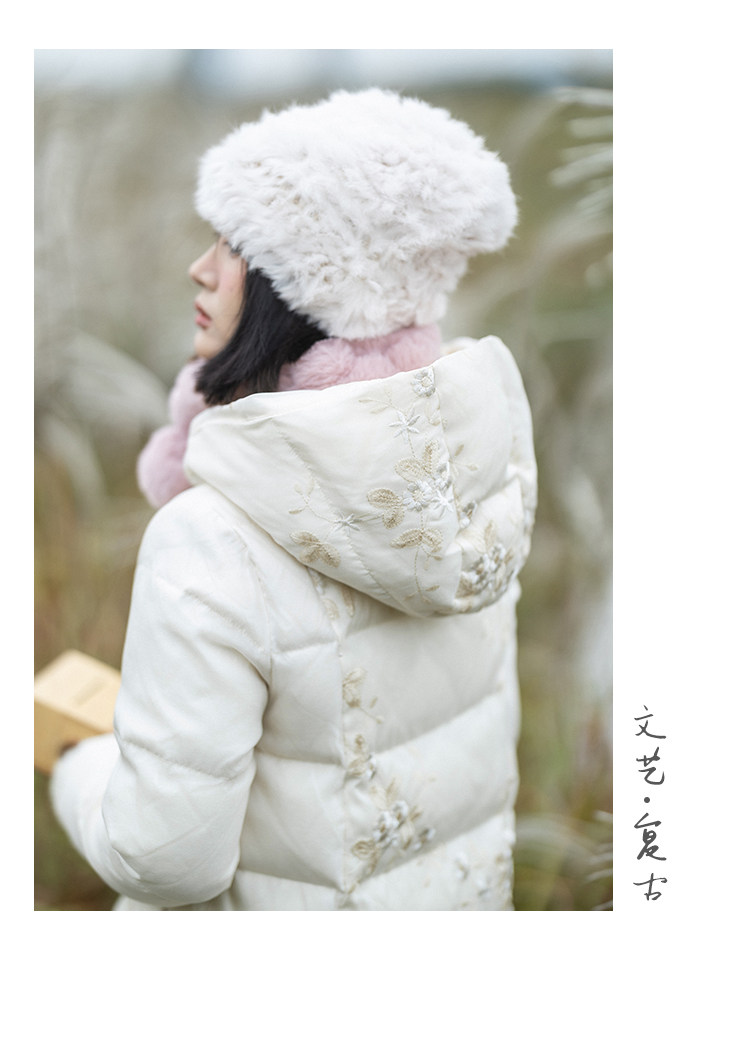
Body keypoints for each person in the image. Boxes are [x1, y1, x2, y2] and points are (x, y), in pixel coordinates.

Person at [50, 88, 537, 911]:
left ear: (309, 290)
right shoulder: (473, 480)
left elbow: (167, 859)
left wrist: (80, 761)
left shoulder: (212, 539)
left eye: (235, 246)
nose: (200, 268)